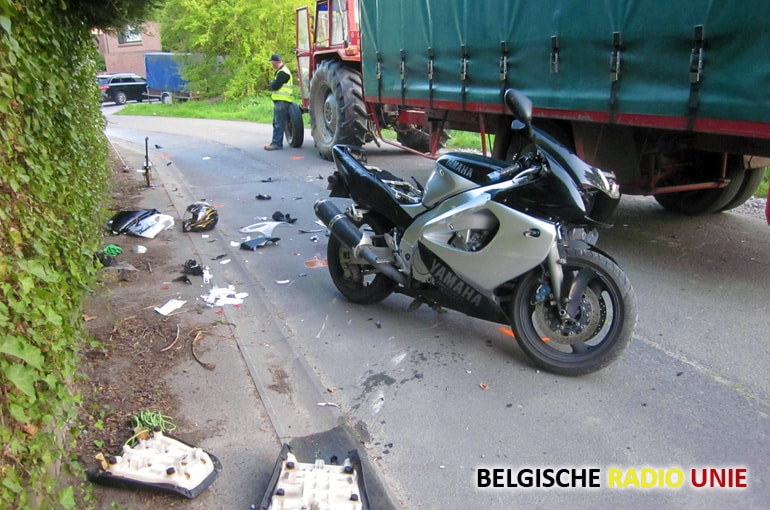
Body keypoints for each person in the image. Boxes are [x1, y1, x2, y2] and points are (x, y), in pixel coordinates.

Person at [264, 53, 293, 151]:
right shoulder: (282, 71)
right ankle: (276, 142)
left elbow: (276, 85)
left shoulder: (283, 72)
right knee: (277, 122)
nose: (271, 64)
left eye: (272, 62)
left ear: (275, 62)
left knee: (278, 123)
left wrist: (272, 83)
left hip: (282, 101)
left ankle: (276, 143)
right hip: (282, 101)